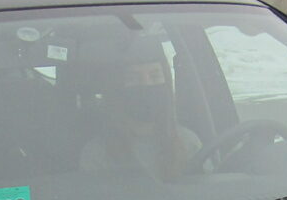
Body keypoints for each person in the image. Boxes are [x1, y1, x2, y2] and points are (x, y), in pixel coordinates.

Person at [78, 36, 200, 179]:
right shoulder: (97, 155)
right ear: (118, 90)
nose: (146, 85)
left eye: (155, 77)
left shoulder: (189, 143)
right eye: (134, 78)